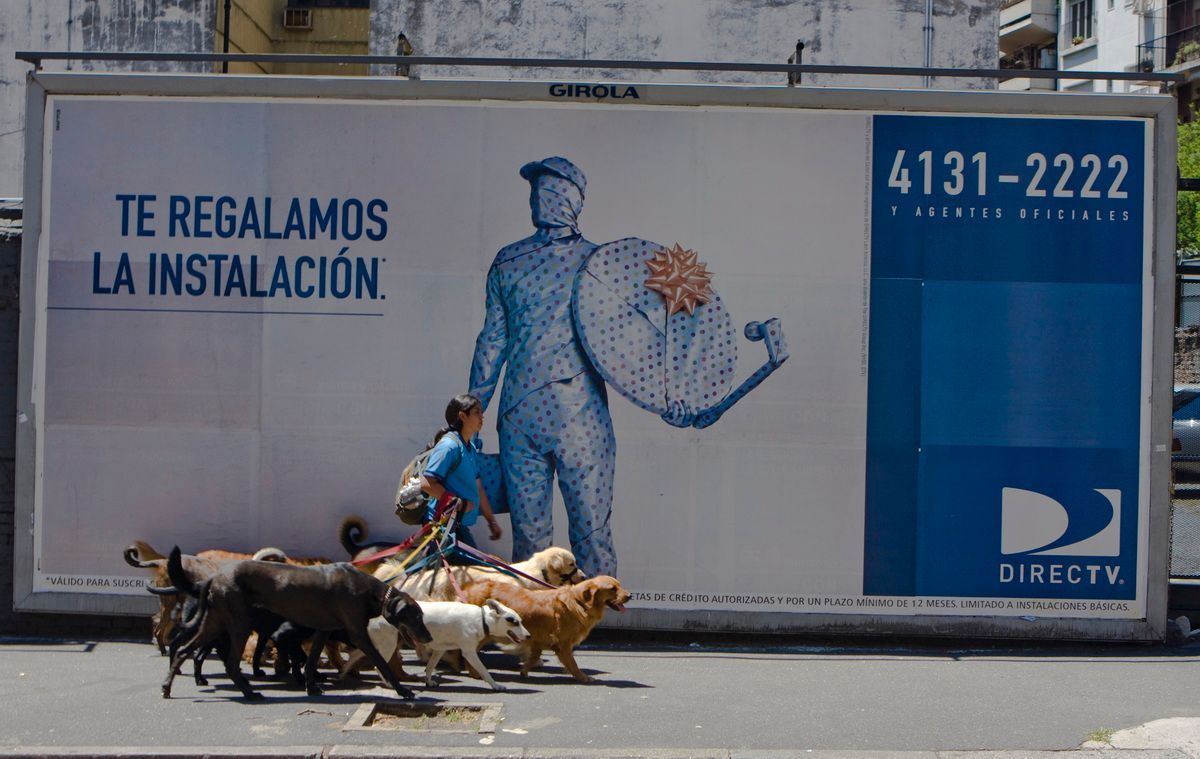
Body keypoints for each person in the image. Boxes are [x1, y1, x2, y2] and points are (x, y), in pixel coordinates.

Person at [469, 156, 618, 577]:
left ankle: (592, 626)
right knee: (531, 540)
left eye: (551, 189)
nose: (540, 199)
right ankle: (533, 624)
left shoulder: (601, 265)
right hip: (523, 419)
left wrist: (667, 396)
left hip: (582, 417)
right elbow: (492, 341)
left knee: (591, 532)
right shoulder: (508, 262)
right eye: (536, 190)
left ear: (574, 198)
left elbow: (626, 347)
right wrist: (471, 412)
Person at [419, 393, 503, 551]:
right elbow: (427, 482)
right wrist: (458, 503)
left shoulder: (469, 449)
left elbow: (478, 488)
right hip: (440, 526)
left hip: (456, 526)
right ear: (462, 416)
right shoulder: (449, 446)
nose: (482, 417)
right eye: (477, 412)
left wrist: (491, 521)